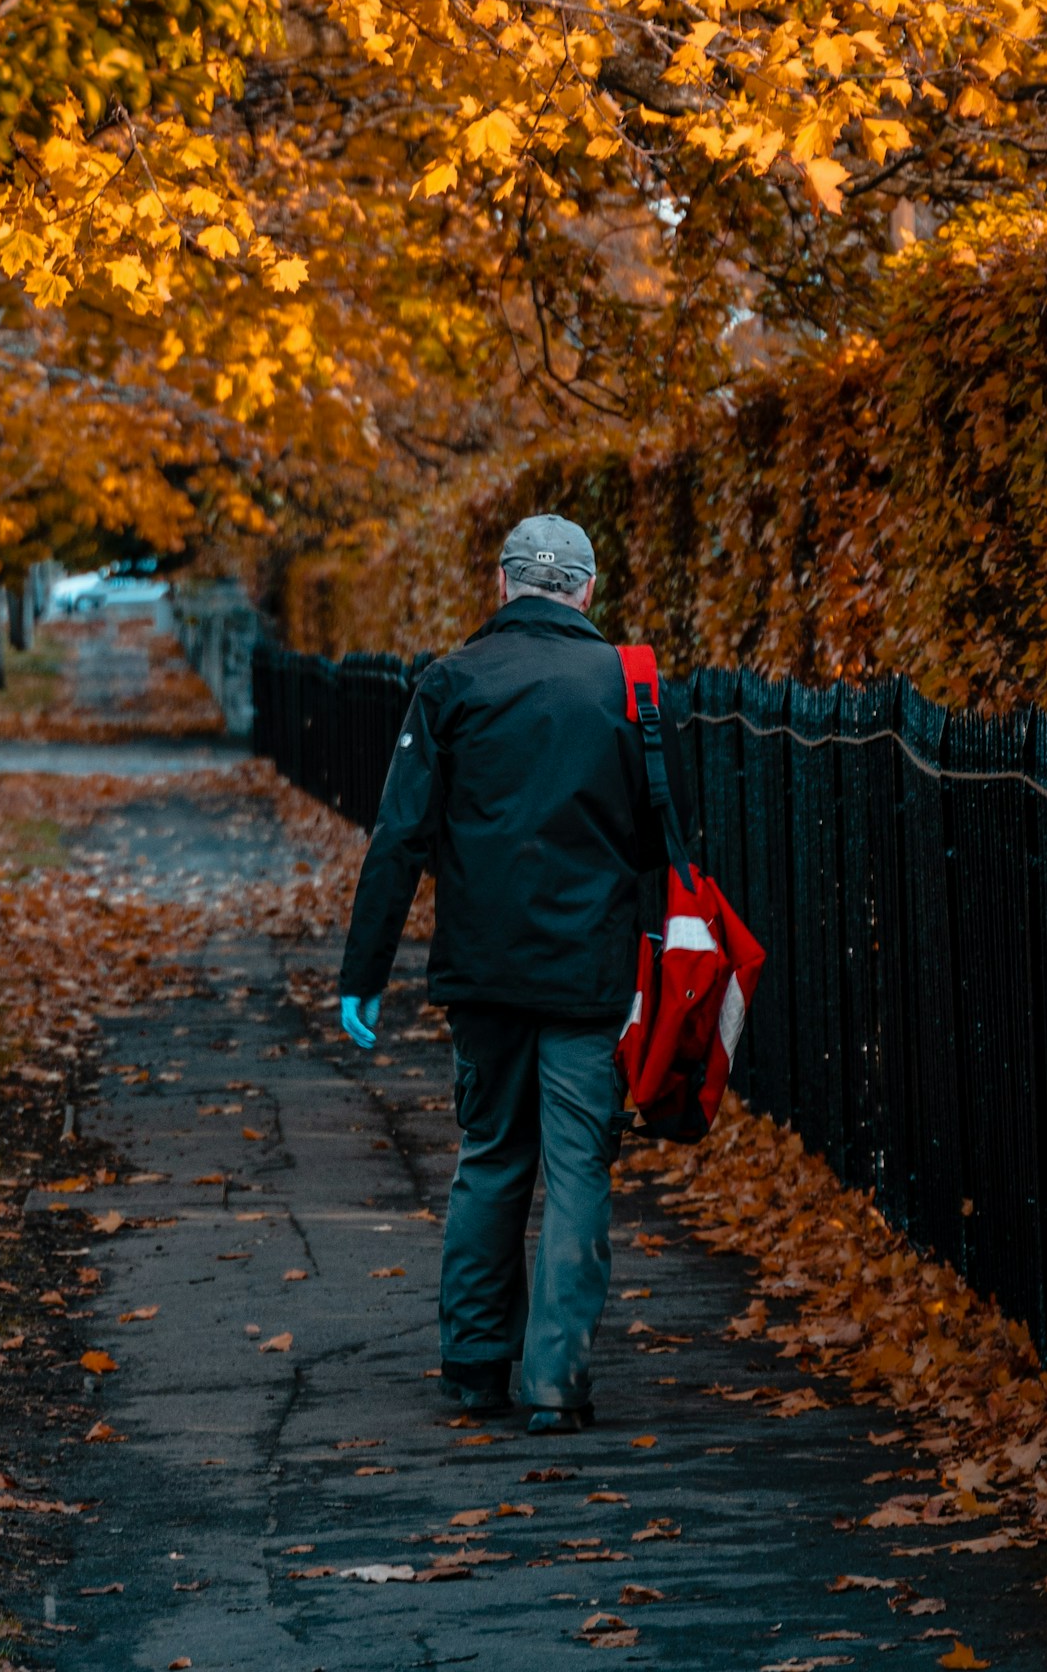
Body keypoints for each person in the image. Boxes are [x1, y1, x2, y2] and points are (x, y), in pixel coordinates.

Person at [335, 513, 691, 1435]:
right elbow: (660, 838)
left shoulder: (450, 682)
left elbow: (400, 836)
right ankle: (557, 1383)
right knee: (579, 1169)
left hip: (483, 971)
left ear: (502, 586)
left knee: (491, 1159)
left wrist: (363, 971)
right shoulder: (627, 685)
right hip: (588, 970)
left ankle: (474, 1364)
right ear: (585, 591)